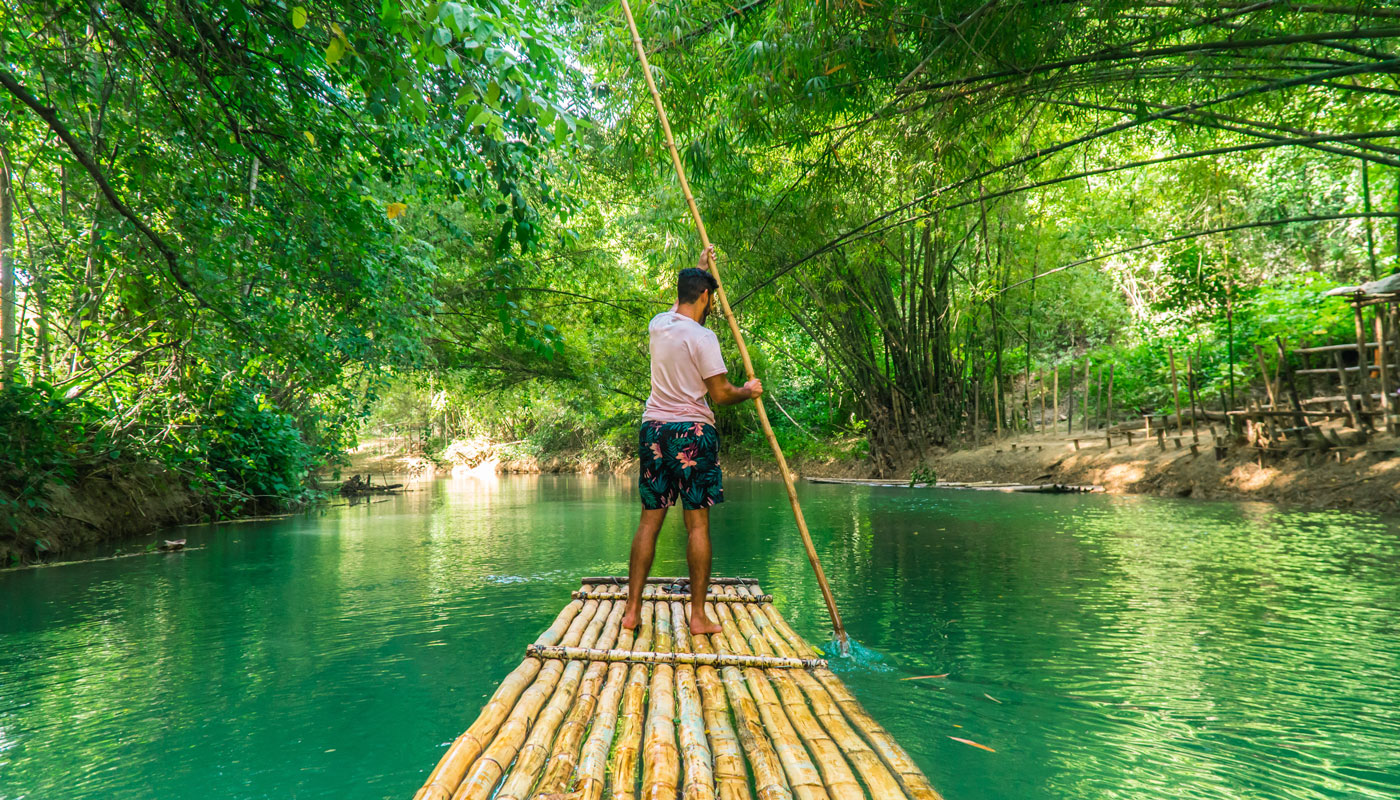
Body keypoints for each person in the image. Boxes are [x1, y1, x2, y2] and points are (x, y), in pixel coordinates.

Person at [620, 245, 762, 635]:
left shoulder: (658, 323)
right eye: (709, 296)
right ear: (706, 297)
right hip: (691, 433)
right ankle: (697, 616)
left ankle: (631, 611)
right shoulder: (703, 337)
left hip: (653, 431)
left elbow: (679, 305)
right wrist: (748, 390)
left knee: (649, 523)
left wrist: (699, 270)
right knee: (697, 526)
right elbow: (719, 394)